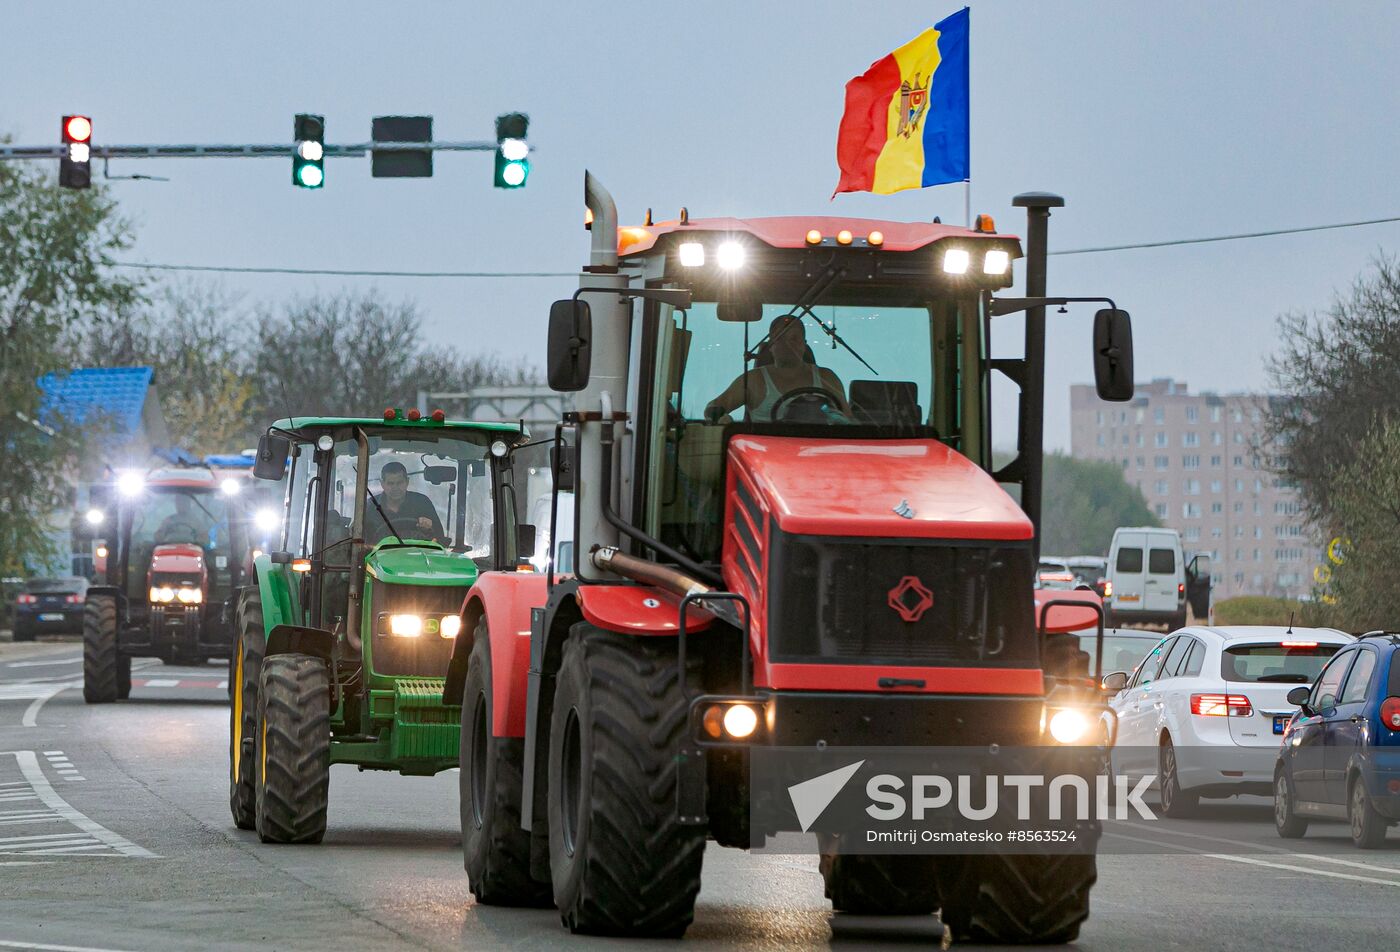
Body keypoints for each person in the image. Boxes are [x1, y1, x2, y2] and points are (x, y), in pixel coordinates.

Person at [704, 314, 850, 423]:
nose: (787, 345)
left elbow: (850, 423)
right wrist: (723, 419)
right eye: (780, 339)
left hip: (820, 457)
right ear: (771, 346)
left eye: (794, 339)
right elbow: (714, 407)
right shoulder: (754, 380)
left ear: (804, 345)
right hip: (763, 459)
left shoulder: (827, 378)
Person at [365, 461, 446, 543]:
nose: (395, 488)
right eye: (390, 483)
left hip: (417, 554)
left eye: (399, 483)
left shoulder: (422, 503)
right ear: (382, 484)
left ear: (407, 482)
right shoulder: (371, 506)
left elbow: (440, 539)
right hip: (378, 554)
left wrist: (428, 529)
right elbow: (359, 538)